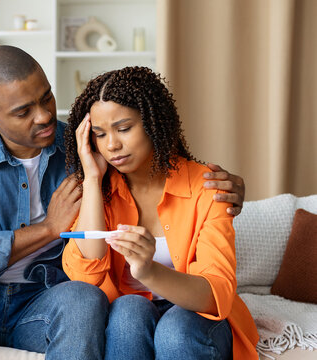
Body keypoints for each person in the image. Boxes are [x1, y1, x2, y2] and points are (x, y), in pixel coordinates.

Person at [0, 46, 247, 359]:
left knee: (85, 299)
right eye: (23, 111)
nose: (44, 116)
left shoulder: (80, 146)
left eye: (46, 98)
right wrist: (47, 229)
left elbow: (163, 173)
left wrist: (235, 186)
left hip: (46, 298)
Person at [62, 66, 259, 359]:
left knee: (175, 330)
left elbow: (215, 294)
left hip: (195, 316)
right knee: (128, 311)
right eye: (100, 135)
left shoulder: (208, 187)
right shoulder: (99, 191)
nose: (112, 145)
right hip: (133, 312)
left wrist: (148, 270)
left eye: (124, 128)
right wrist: (91, 178)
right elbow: (87, 278)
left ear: (155, 124)